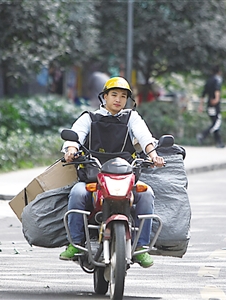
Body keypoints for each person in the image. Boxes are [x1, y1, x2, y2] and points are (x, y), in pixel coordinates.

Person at [59, 76, 165, 268]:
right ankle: (75, 242)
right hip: (94, 177)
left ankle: (141, 247)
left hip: (126, 178)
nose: (118, 99)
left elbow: (144, 136)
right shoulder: (89, 118)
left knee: (147, 194)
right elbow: (75, 135)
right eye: (114, 94)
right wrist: (71, 150)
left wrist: (153, 155)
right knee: (77, 192)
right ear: (104, 97)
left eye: (123, 96)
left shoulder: (131, 117)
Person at [197, 65, 225, 148]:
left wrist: (200, 106)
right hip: (215, 105)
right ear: (219, 71)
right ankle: (203, 135)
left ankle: (219, 142)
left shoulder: (208, 81)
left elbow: (203, 94)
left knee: (215, 122)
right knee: (216, 123)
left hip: (209, 105)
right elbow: (217, 90)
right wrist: (216, 99)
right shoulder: (217, 79)